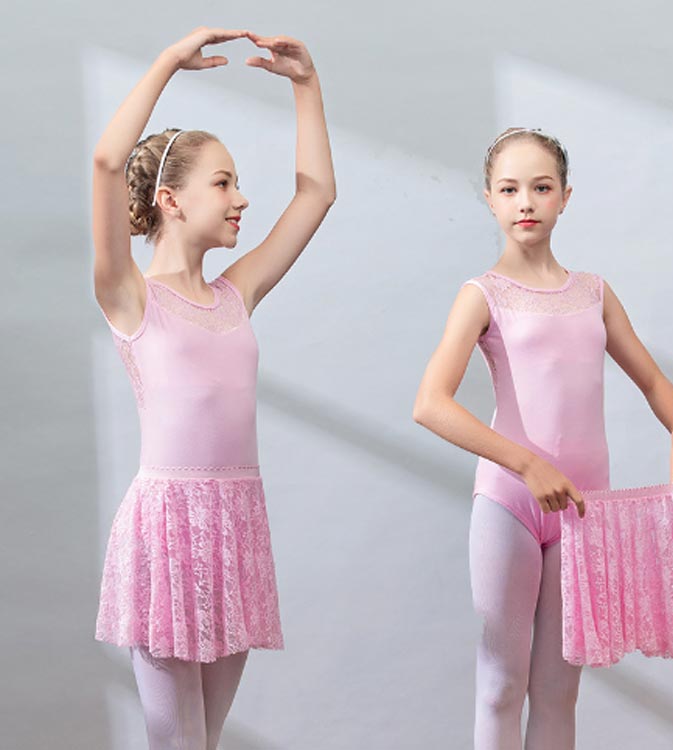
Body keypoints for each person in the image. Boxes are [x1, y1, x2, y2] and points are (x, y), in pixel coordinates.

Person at [412, 127, 673, 750]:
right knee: (501, 685)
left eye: (541, 187)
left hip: (584, 510)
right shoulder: (482, 295)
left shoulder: (593, 293)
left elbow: (653, 379)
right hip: (510, 506)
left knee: (558, 692)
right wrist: (527, 466)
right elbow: (430, 404)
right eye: (509, 189)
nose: (525, 202)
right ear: (490, 200)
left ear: (565, 197)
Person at [92, 27, 335, 750]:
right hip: (167, 530)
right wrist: (168, 61)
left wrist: (306, 84)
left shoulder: (237, 293)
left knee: (205, 742)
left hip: (236, 524)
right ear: (170, 199)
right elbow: (107, 162)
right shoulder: (129, 295)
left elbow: (317, 194)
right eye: (224, 183)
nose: (241, 199)